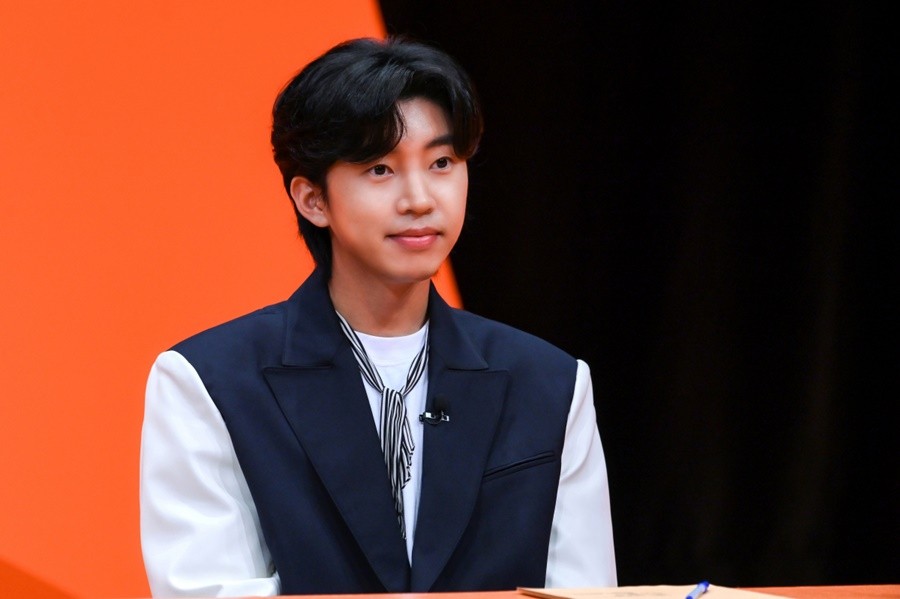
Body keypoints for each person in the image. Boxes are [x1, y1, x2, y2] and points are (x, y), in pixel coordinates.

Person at [139, 36, 617, 597]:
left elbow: (585, 591)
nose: (419, 199)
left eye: (442, 163)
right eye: (380, 169)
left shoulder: (551, 383)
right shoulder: (207, 382)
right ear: (312, 199)